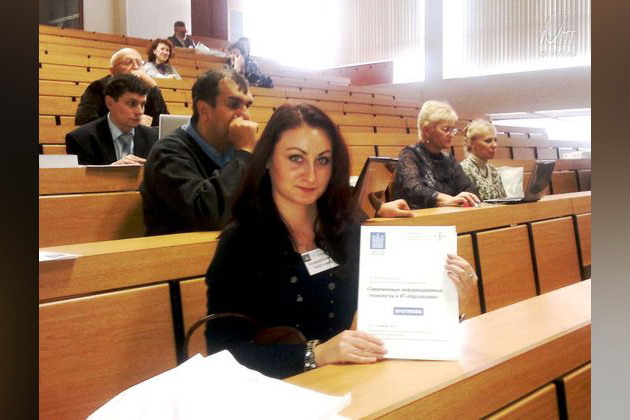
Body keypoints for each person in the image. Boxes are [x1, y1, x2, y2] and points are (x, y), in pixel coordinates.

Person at [205, 103, 478, 379]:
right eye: (296, 158)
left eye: (322, 160)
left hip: (354, 381)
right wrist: (316, 355)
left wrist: (448, 305)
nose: (311, 175)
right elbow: (221, 352)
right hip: (280, 392)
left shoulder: (348, 230)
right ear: (267, 159)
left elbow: (391, 326)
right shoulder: (240, 244)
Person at [140, 68, 258, 235]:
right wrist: (244, 152)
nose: (245, 115)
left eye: (248, 105)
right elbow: (208, 214)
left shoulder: (239, 149)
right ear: (204, 109)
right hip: (181, 250)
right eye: (233, 105)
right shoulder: (167, 153)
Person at [394, 100, 480, 208]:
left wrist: (468, 196)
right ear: (426, 130)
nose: (451, 135)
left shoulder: (449, 159)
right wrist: (448, 199)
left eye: (452, 129)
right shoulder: (409, 155)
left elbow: (468, 187)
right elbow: (413, 189)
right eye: (446, 129)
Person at [65, 74, 158, 165]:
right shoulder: (81, 139)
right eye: (131, 103)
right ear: (109, 103)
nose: (140, 111)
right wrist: (111, 171)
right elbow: (80, 176)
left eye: (142, 105)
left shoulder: (154, 137)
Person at [75, 48, 169, 127]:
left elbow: (164, 124)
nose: (135, 67)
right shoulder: (97, 87)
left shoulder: (146, 89)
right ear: (112, 71)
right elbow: (83, 120)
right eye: (128, 63)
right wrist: (122, 122)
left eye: (139, 63)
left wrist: (153, 86)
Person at [460, 119, 507, 200]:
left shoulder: (493, 170)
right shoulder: (463, 170)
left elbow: (504, 201)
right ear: (471, 143)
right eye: (488, 141)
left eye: (495, 140)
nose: (494, 145)